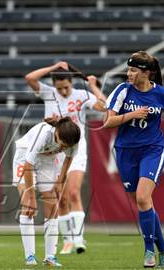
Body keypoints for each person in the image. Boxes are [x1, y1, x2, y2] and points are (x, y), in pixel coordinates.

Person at [104, 51, 164, 268]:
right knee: (143, 203)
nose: (129, 74)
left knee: (143, 198)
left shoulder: (163, 94)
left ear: (147, 73)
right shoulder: (123, 90)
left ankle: (148, 251)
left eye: (133, 70)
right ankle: (163, 247)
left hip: (152, 150)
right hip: (125, 151)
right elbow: (107, 122)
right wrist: (131, 115)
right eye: (128, 69)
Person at [25, 62, 107, 254]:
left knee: (73, 192)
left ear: (72, 82)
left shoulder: (81, 95)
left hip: (76, 150)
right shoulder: (48, 93)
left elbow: (104, 106)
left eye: (66, 87)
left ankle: (78, 240)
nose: (63, 91)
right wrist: (54, 66)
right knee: (60, 198)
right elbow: (30, 78)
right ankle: (67, 240)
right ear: (54, 85)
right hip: (55, 152)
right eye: (59, 87)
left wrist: (94, 86)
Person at [13, 116, 81, 266]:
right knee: (27, 205)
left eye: (66, 147)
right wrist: (30, 196)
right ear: (56, 133)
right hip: (24, 157)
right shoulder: (43, 135)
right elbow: (27, 165)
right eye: (62, 145)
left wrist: (60, 181)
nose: (63, 149)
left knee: (52, 204)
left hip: (47, 161)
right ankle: (29, 256)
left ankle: (50, 257)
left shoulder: (74, 139)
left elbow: (68, 159)